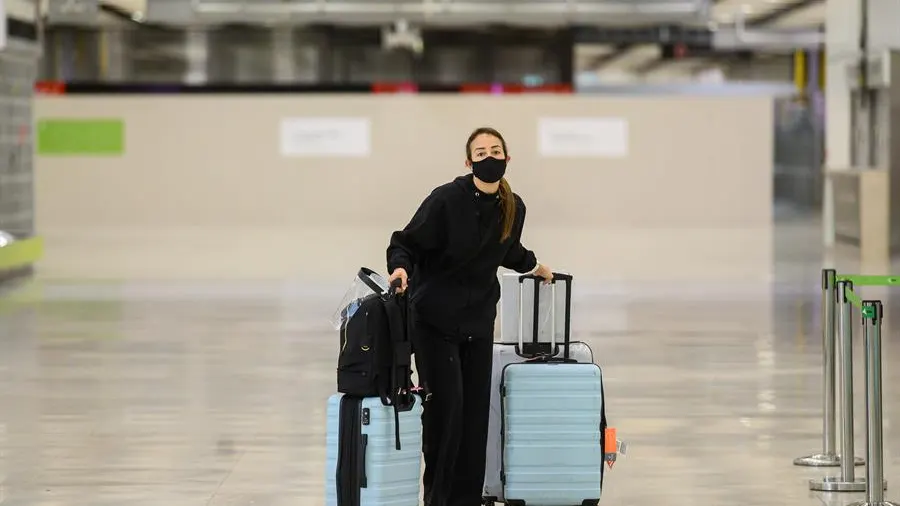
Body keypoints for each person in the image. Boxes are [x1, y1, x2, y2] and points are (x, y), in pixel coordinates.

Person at [386, 126, 553, 506]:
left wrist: (536, 266)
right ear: (468, 162)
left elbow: (508, 250)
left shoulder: (514, 206)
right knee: (447, 413)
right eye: (481, 153)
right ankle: (439, 500)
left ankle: (466, 500)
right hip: (434, 322)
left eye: (495, 150)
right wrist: (399, 268)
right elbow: (406, 242)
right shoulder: (446, 200)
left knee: (475, 418)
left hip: (478, 324)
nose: (489, 157)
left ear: (507, 159)